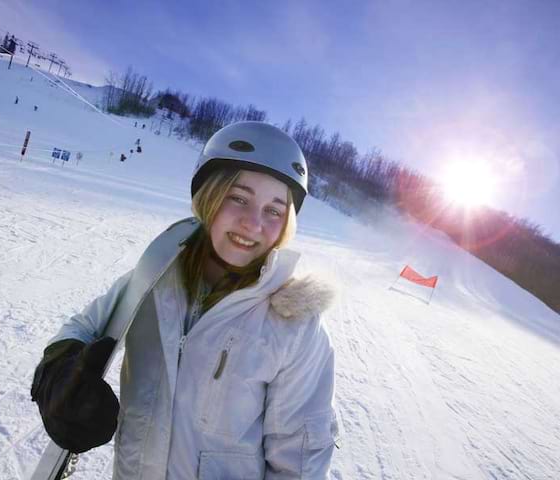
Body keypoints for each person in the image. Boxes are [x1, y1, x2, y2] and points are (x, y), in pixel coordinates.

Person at [31, 121, 339, 479]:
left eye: (274, 210)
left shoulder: (295, 326)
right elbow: (84, 327)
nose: (253, 224)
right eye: (238, 198)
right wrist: (58, 372)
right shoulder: (156, 276)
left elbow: (299, 463)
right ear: (209, 197)